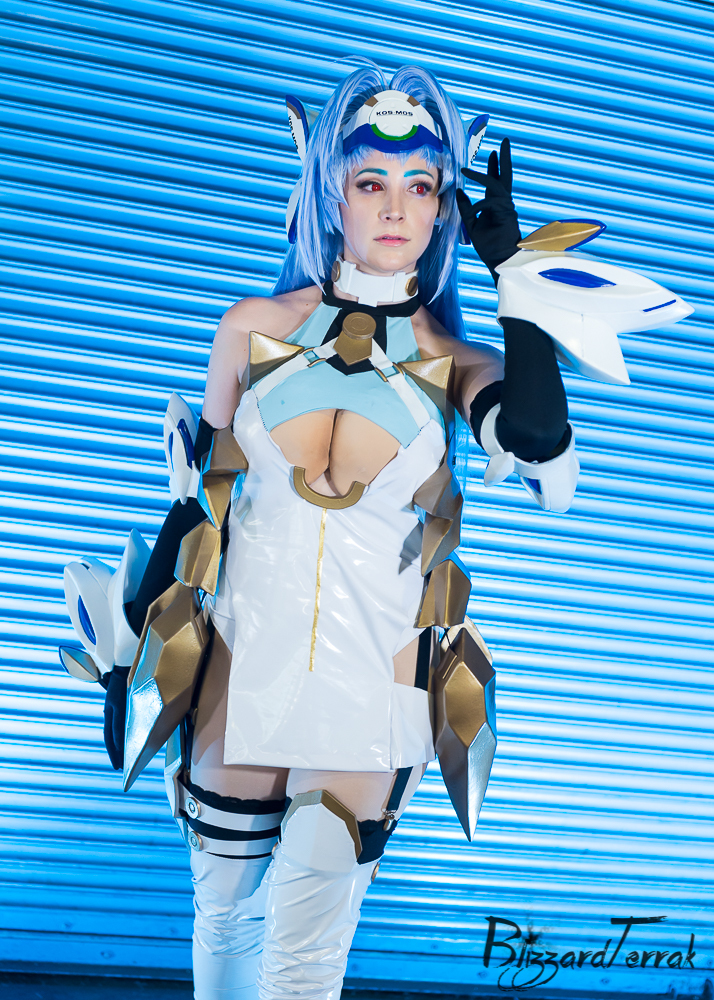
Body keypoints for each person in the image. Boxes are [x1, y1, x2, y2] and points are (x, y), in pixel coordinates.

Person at [59, 61, 690, 1000]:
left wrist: (514, 273)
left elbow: (539, 442)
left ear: (442, 208)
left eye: (420, 185)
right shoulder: (252, 328)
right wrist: (131, 663)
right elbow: (197, 500)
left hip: (372, 680)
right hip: (242, 662)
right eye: (370, 181)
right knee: (224, 918)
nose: (395, 206)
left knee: (305, 960)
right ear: (332, 191)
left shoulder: (454, 359)